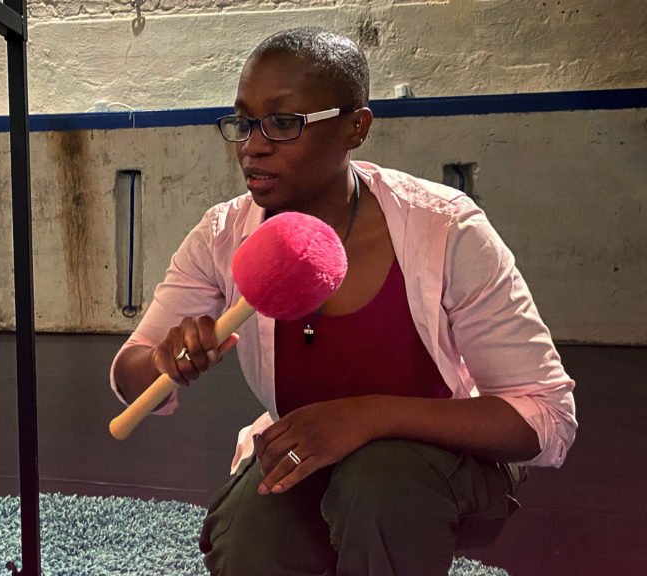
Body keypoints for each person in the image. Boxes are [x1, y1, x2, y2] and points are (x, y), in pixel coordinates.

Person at [109, 27, 577, 576]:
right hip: (310, 454)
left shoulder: (446, 229)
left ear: (356, 126)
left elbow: (544, 419)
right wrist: (166, 361)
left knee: (382, 483)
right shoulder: (223, 235)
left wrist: (366, 417)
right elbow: (131, 372)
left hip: (444, 470)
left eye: (284, 123)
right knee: (249, 540)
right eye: (242, 122)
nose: (252, 145)